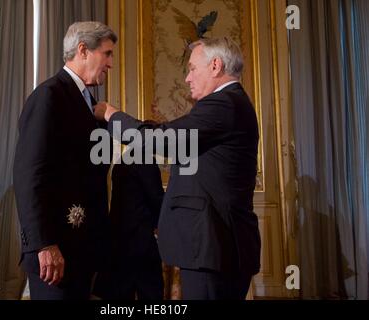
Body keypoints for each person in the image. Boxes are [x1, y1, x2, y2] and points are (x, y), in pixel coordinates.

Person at [94, 37, 261, 300]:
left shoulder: (224, 103)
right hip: (215, 246)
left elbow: (163, 139)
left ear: (215, 66)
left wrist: (111, 115)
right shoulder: (231, 103)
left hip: (214, 247)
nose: (187, 78)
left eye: (193, 68)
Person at [13, 21, 117, 300]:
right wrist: (44, 243)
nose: (110, 63)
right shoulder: (49, 95)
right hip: (55, 253)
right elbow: (29, 175)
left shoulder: (88, 102)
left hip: (81, 250)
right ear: (83, 50)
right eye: (107, 54)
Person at [94, 151, 165, 300]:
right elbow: (157, 199)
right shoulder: (144, 159)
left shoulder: (123, 160)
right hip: (141, 241)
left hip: (119, 240)